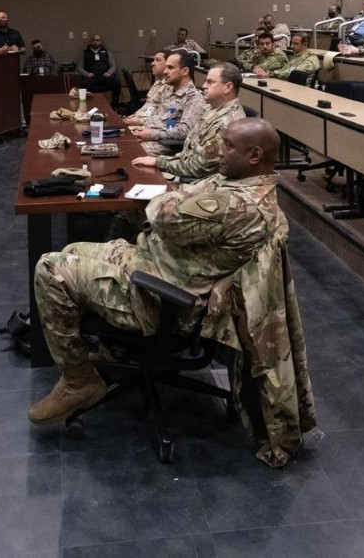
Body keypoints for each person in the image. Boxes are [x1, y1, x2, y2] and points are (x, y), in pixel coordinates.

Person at [32, 118, 314, 466]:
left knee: (49, 268)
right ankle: (104, 347)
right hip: (160, 265)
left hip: (161, 296)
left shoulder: (239, 205)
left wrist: (175, 197)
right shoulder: (243, 184)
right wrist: (178, 195)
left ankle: (79, 381)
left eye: (227, 146)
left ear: (255, 155)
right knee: (73, 248)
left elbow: (164, 214)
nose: (218, 151)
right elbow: (181, 197)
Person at [133, 62, 245, 180]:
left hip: (195, 183)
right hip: (182, 168)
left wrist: (159, 162)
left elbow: (199, 167)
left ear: (228, 87)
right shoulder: (212, 108)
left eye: (210, 82)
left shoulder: (226, 124)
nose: (204, 86)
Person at [127, 51, 204, 153]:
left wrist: (153, 134)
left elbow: (185, 131)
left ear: (185, 71)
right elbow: (159, 117)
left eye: (170, 68)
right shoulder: (168, 90)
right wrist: (143, 125)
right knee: (116, 140)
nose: (165, 71)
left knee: (126, 152)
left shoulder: (193, 98)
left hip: (163, 145)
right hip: (148, 134)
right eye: (166, 67)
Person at [124, 49, 170, 127]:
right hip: (141, 120)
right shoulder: (158, 80)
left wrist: (138, 121)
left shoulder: (170, 87)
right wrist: (135, 116)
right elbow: (148, 106)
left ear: (168, 64)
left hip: (149, 126)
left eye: (158, 60)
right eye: (153, 60)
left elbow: (164, 119)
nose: (152, 63)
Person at [78, 33, 121, 104]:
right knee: (83, 85)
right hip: (92, 77)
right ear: (91, 41)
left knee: (117, 83)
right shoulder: (85, 53)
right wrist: (87, 74)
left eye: (98, 40)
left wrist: (109, 72)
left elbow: (113, 65)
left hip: (104, 76)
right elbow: (79, 67)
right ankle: (86, 106)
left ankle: (114, 106)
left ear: (100, 42)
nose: (95, 41)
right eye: (94, 40)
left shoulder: (106, 52)